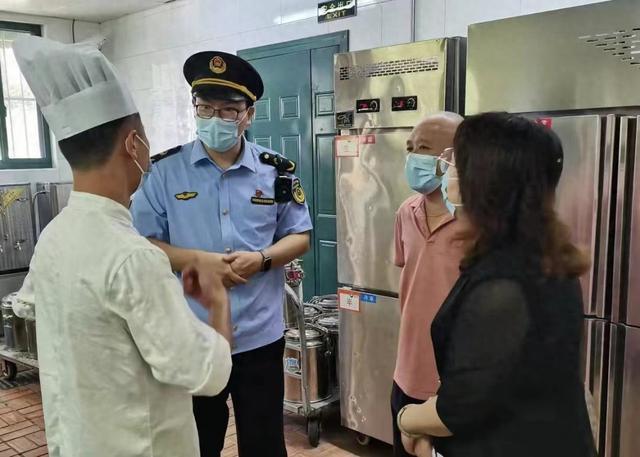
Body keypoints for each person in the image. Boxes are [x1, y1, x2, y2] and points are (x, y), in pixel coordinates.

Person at [10, 37, 233, 457]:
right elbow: (207, 374)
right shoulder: (133, 257)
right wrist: (218, 302)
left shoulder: (55, 236)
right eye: (144, 137)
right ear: (134, 144)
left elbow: (29, 305)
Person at [131, 51, 312, 457]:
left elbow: (299, 235)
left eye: (228, 110)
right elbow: (143, 244)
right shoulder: (163, 173)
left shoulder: (275, 171)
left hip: (260, 335)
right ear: (194, 108)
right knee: (197, 441)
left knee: (264, 442)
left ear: (249, 114)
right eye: (205, 108)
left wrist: (262, 258)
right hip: (192, 333)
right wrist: (199, 261)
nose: (215, 118)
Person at [397, 112, 597, 457]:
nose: (446, 172)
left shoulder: (503, 285)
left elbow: (457, 408)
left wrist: (407, 418)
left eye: (455, 163)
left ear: (486, 181)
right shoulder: (544, 256)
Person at [391, 112, 465, 457]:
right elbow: (409, 281)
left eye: (423, 148)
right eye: (410, 148)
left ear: (452, 157)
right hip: (407, 371)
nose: (413, 158)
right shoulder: (406, 211)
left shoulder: (477, 223)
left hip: (457, 380)